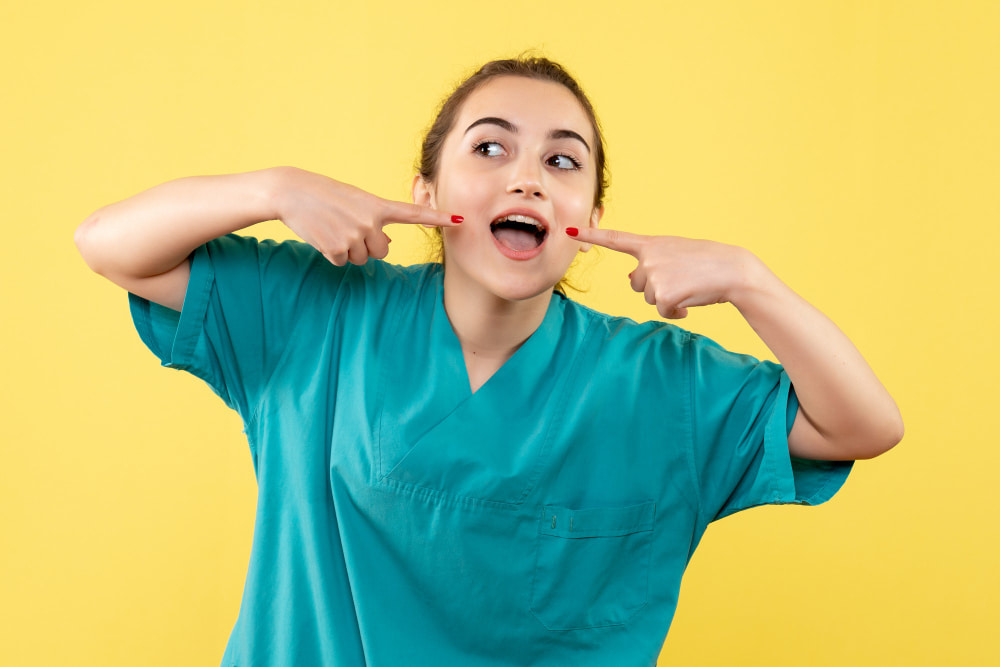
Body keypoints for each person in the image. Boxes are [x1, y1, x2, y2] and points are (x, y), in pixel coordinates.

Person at [75, 56, 903, 666]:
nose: (530, 179)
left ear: (590, 212)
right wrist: (272, 187)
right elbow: (109, 245)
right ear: (428, 194)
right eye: (490, 149)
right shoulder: (315, 315)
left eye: (563, 161)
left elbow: (865, 424)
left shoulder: (662, 384)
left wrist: (750, 280)